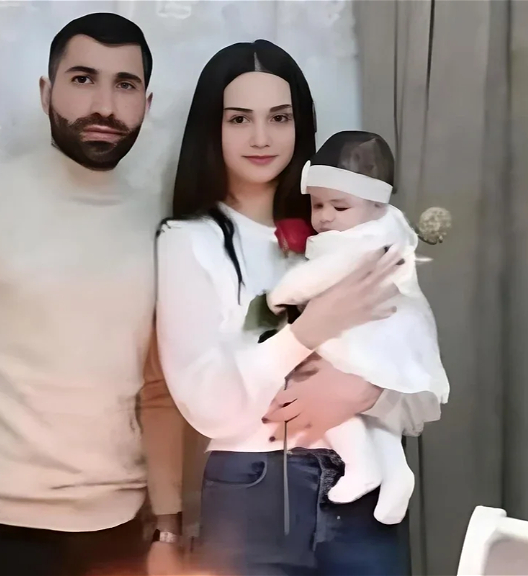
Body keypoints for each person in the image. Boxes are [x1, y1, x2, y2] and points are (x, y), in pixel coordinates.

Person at [0, 13, 184, 576]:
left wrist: (168, 528)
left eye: (125, 85)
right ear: (46, 92)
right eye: (83, 79)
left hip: (119, 535)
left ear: (147, 103)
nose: (105, 105)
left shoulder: (164, 231)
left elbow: (158, 394)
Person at [155, 40, 423, 576]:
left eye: (279, 118)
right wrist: (305, 333)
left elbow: (420, 383)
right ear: (212, 128)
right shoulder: (188, 241)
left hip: (365, 498)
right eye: (239, 119)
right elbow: (208, 405)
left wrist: (365, 390)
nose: (261, 137)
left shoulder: (348, 231)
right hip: (254, 491)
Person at [267, 130, 450, 523]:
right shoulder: (388, 229)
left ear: (375, 204)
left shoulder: (362, 242)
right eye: (317, 204)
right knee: (375, 412)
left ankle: (361, 464)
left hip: (370, 332)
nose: (325, 216)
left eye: (339, 206)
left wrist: (281, 294)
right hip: (389, 333)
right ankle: (396, 473)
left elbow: (318, 277)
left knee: (320, 388)